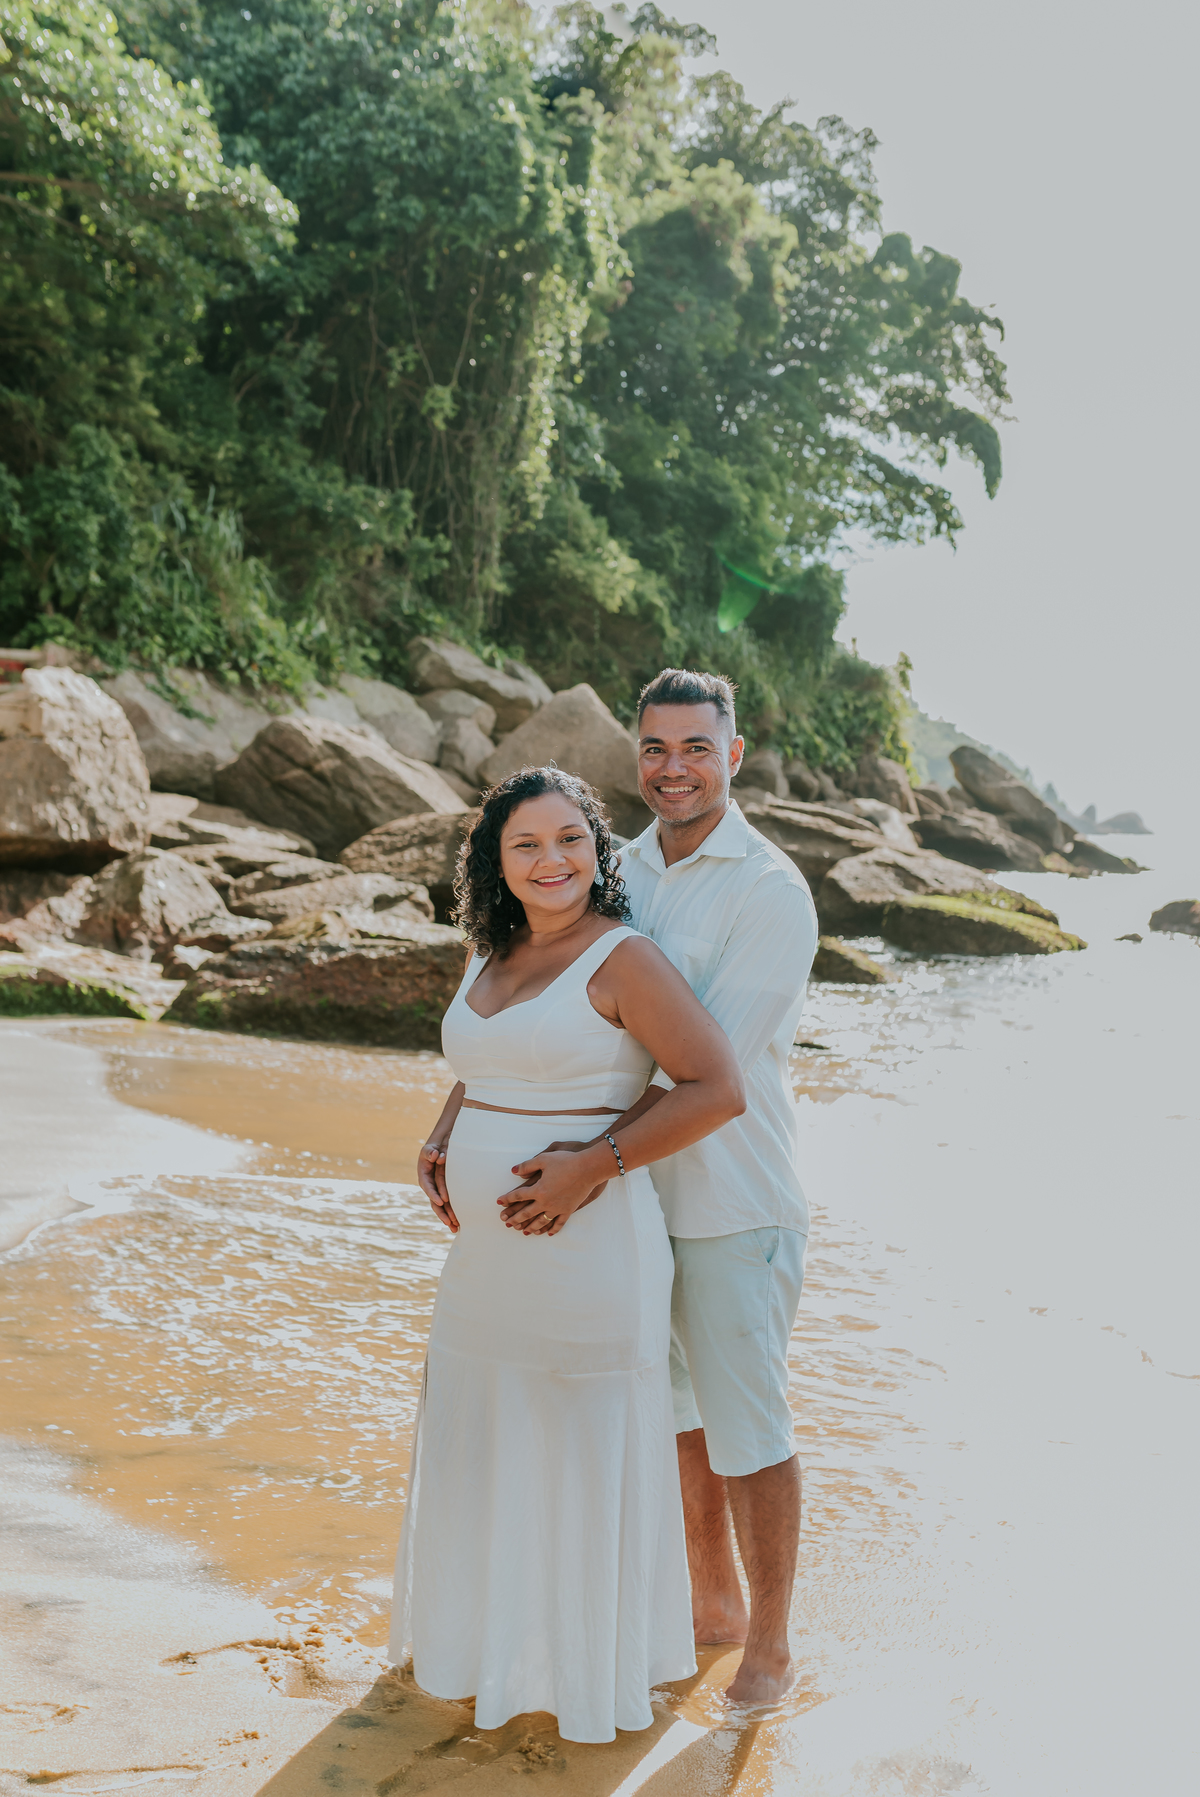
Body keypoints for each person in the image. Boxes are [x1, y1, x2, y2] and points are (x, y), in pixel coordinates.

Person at [396, 765, 746, 1744]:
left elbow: (715, 1086)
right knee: (484, 1438)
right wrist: (444, 1128)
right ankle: (482, 1653)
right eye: (526, 845)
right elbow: (488, 1060)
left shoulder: (624, 959)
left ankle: (587, 1678)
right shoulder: (488, 950)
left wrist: (592, 1165)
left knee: (577, 1446)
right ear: (495, 863)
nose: (551, 861)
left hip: (588, 1254)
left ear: (599, 852)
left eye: (570, 841)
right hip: (485, 1269)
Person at [496, 669, 818, 1703]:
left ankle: (770, 1642)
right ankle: (710, 1604)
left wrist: (589, 1161)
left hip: (730, 1201)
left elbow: (705, 1074)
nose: (671, 768)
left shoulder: (771, 891)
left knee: (747, 1428)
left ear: (734, 754)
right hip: (634, 1204)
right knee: (674, 1416)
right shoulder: (618, 867)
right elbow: (559, 1011)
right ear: (633, 756)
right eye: (653, 748)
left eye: (694, 748)